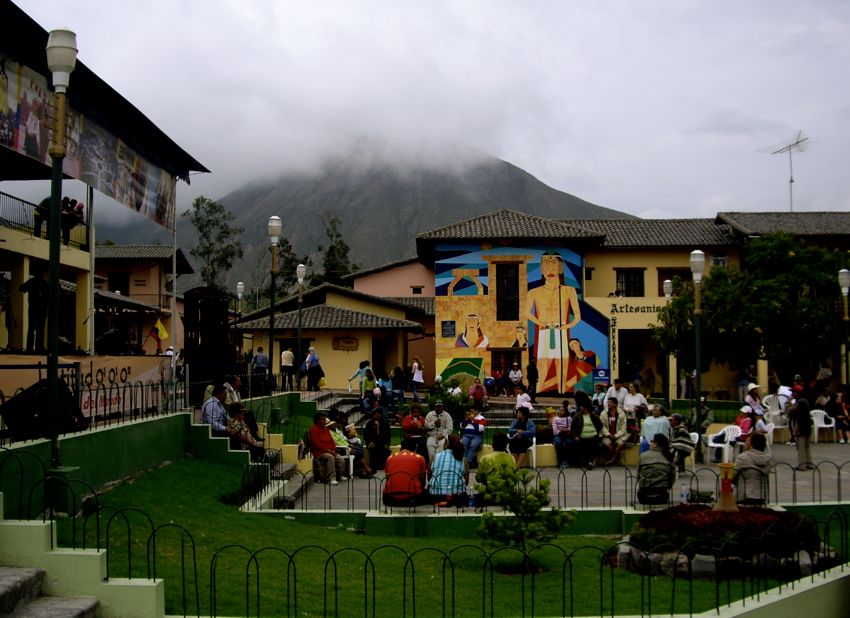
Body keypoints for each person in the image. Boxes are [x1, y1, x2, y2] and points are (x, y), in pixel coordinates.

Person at [526, 251, 582, 393]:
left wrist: (566, 326)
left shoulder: (569, 290)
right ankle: (536, 392)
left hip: (560, 331)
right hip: (544, 331)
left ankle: (563, 392)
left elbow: (577, 317)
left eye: (553, 265)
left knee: (562, 363)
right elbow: (527, 313)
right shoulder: (534, 292)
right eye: (546, 264)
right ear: (541, 269)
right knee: (542, 364)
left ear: (560, 268)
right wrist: (540, 323)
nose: (550, 269)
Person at [429, 435, 469, 506]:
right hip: (457, 497)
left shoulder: (435, 457)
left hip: (435, 496)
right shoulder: (463, 459)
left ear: (446, 444)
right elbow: (466, 481)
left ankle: (444, 503)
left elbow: (429, 477)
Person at [307, 413, 346, 485]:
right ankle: (332, 478)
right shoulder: (313, 430)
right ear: (318, 420)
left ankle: (339, 476)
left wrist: (334, 450)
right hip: (319, 452)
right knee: (330, 457)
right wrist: (328, 451)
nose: (325, 421)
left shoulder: (325, 429)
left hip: (330, 451)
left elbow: (331, 441)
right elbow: (316, 443)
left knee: (341, 460)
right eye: (323, 419)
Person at [636, 433, 675, 505]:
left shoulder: (643, 456)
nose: (649, 442)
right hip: (662, 497)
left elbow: (638, 476)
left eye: (651, 441)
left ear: (655, 444)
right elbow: (672, 479)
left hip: (644, 497)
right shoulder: (669, 457)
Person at [734, 432, 771, 504]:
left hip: (745, 496)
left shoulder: (743, 457)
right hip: (762, 496)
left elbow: (731, 477)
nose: (745, 443)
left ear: (751, 445)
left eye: (747, 441)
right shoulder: (767, 459)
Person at [19, 271, 48, 353]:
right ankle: (38, 347)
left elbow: (21, 288)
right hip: (41, 308)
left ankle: (30, 347)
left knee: (32, 328)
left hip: (33, 307)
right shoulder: (44, 283)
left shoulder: (32, 281)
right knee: (40, 328)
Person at [571, 394, 602, 468]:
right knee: (579, 446)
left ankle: (590, 462)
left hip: (593, 436)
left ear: (586, 408)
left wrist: (596, 433)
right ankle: (583, 462)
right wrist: (575, 436)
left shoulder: (593, 415)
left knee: (592, 446)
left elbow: (599, 425)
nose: (581, 408)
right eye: (581, 407)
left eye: (583, 407)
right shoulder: (577, 415)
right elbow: (573, 427)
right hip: (581, 436)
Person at [599, 396, 628, 465]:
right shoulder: (603, 413)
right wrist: (609, 435)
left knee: (620, 444)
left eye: (610, 402)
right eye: (608, 402)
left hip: (618, 435)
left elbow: (623, 428)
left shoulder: (621, 413)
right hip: (607, 435)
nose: (608, 404)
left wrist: (615, 436)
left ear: (615, 404)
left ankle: (612, 460)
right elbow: (602, 426)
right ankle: (616, 458)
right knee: (607, 444)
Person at [790, 397, 813, 471]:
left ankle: (802, 466)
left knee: (801, 449)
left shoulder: (798, 413)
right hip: (807, 431)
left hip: (800, 432)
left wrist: (789, 402)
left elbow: (789, 411)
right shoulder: (807, 414)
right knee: (807, 448)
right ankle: (809, 464)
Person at [551, 400, 573, 469]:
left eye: (562, 411)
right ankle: (560, 462)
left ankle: (567, 461)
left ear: (566, 412)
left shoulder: (569, 419)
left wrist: (561, 429)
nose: (560, 412)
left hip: (567, 435)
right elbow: (555, 432)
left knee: (569, 443)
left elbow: (570, 429)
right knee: (558, 443)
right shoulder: (555, 419)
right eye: (559, 410)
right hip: (558, 435)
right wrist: (563, 430)